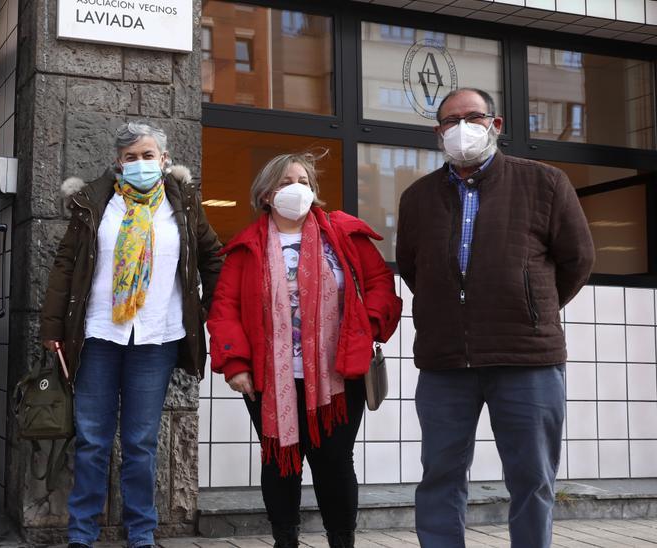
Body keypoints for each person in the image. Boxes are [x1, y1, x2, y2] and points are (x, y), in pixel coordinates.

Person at [396, 88, 593, 548]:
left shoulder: (545, 183)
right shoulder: (417, 197)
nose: (462, 127)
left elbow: (577, 260)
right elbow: (412, 268)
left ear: (496, 125)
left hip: (527, 360)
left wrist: (531, 309)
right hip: (445, 362)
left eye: (473, 117)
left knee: (532, 479)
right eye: (450, 121)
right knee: (440, 478)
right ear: (438, 132)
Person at [40, 122, 224, 548]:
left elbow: (214, 257)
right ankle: (82, 532)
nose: (139, 164)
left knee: (141, 441)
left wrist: (210, 311)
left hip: (156, 338)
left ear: (164, 160)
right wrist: (51, 328)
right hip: (99, 336)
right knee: (91, 438)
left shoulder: (184, 204)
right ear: (117, 163)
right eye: (130, 157)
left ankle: (141, 532)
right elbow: (65, 267)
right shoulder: (96, 203)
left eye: (147, 155)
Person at [206, 151, 401, 548]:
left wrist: (368, 331)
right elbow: (225, 309)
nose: (296, 189)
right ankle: (285, 540)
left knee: (334, 462)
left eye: (304, 182)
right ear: (265, 195)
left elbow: (381, 286)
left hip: (339, 374)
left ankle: (342, 540)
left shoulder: (344, 234)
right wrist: (235, 363)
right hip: (268, 378)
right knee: (280, 462)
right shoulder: (246, 248)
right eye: (284, 183)